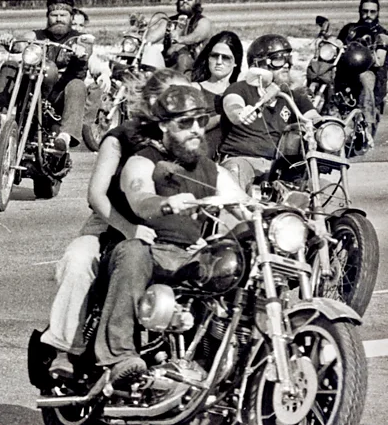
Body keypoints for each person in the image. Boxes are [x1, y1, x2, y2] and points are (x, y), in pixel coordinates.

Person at [94, 85, 248, 385]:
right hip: (150, 249)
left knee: (235, 262)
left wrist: (280, 217)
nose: (196, 130)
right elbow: (139, 197)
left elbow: (243, 204)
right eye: (185, 123)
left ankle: (225, 362)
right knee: (134, 251)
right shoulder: (143, 160)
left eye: (201, 122)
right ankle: (119, 356)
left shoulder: (211, 171)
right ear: (164, 125)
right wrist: (164, 204)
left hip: (190, 255)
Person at [41, 69, 190, 378]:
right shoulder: (121, 137)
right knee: (79, 261)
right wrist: (129, 229)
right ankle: (64, 348)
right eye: (173, 99)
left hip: (169, 228)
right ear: (153, 102)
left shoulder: (188, 138)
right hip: (113, 222)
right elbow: (96, 195)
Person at [0, 0, 92, 160]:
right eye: (54, 15)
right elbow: (22, 43)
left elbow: (86, 48)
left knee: (78, 85)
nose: (58, 19)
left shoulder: (79, 39)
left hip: (60, 94)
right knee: (10, 66)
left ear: (71, 17)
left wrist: (81, 52)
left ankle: (64, 136)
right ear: (47, 17)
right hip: (33, 89)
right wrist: (12, 42)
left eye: (63, 15)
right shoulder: (37, 36)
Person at [217, 33, 322, 191]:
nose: (286, 65)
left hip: (279, 166)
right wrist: (240, 113)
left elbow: (313, 117)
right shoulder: (240, 88)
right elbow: (232, 105)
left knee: (318, 189)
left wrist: (328, 128)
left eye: (289, 59)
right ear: (259, 64)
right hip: (242, 160)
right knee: (234, 176)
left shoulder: (293, 95)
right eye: (278, 59)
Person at [337, 0, 388, 138]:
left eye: (373, 12)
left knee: (366, 79)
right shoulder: (349, 30)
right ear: (359, 11)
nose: (368, 15)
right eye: (365, 11)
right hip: (347, 71)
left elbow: (380, 61)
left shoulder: (382, 34)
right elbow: (338, 43)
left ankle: (367, 123)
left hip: (371, 73)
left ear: (378, 13)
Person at [190, 31, 243, 160]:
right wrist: (223, 117)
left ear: (235, 61)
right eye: (214, 56)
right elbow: (190, 126)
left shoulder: (241, 91)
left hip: (234, 158)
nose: (219, 62)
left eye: (225, 57)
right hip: (199, 158)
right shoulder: (195, 88)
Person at [146, 0, 213, 75]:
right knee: (151, 54)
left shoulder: (203, 21)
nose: (184, 1)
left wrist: (180, 39)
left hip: (194, 68)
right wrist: (142, 36)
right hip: (169, 64)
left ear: (197, 1)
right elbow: (152, 37)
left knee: (183, 58)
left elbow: (197, 36)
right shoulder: (170, 21)